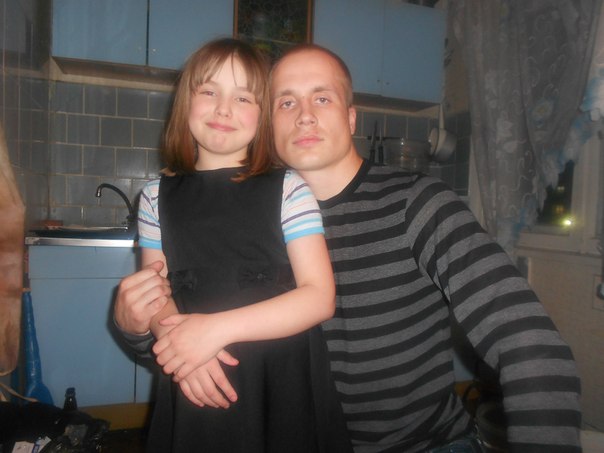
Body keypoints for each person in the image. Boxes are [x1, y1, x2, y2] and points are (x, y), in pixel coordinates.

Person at [266, 44, 582, 452]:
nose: (304, 114)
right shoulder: (260, 223)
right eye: (286, 102)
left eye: (322, 98)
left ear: (350, 117)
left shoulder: (417, 203)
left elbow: (530, 343)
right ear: (270, 124)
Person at [113, 38, 351, 453]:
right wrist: (183, 354)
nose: (224, 109)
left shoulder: (290, 189)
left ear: (263, 116)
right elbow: (156, 295)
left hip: (282, 379)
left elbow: (319, 297)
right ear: (185, 102)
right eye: (209, 92)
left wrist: (213, 331)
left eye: (243, 97)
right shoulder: (154, 197)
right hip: (196, 376)